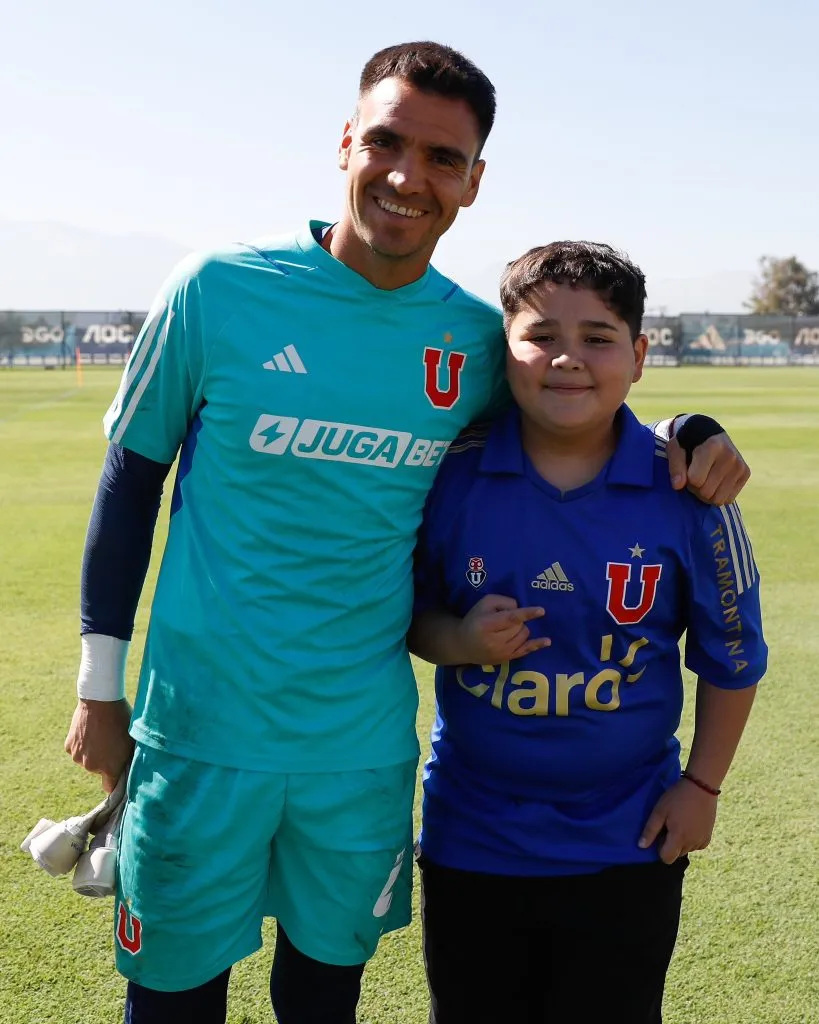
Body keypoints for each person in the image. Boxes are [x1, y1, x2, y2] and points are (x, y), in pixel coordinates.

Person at [63, 42, 751, 1024]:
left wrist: (686, 432)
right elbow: (130, 482)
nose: (405, 175)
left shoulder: (473, 339)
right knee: (173, 999)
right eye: (386, 142)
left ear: (473, 181)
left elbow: (573, 403)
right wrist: (100, 684)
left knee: (322, 995)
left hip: (361, 743)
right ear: (345, 141)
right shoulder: (218, 290)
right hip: (200, 730)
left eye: (441, 157)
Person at [409, 241, 767, 1024]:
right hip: (473, 833)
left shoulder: (689, 490)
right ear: (503, 352)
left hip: (628, 835)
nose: (567, 359)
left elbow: (732, 655)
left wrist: (701, 786)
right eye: (540, 336)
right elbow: (409, 617)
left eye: (598, 339)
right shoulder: (450, 476)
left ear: (637, 356)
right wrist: (460, 642)